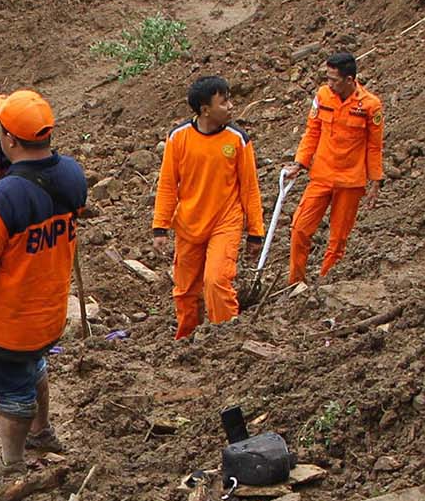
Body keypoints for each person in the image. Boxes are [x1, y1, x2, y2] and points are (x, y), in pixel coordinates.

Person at [0, 89, 87, 499]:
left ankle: (11, 465)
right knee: (35, 367)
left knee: (11, 390)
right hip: (48, 312)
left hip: (5, 322)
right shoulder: (73, 176)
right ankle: (42, 431)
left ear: (9, 140)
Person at [153, 75, 264, 337]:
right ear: (205, 110)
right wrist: (160, 227)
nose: (231, 106)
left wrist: (256, 232)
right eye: (224, 102)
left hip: (225, 222)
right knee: (185, 291)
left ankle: (226, 339)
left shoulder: (237, 139)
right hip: (189, 225)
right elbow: (168, 184)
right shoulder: (178, 138)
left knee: (216, 281)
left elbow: (249, 188)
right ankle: (186, 339)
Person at [285, 53, 385, 287]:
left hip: (350, 182)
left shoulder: (370, 105)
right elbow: (312, 131)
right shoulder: (322, 96)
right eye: (327, 78)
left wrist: (375, 181)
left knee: (338, 240)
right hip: (321, 176)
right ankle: (295, 284)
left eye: (334, 79)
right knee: (299, 229)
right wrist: (300, 163)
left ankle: (323, 285)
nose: (329, 83)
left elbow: (374, 146)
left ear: (350, 79)